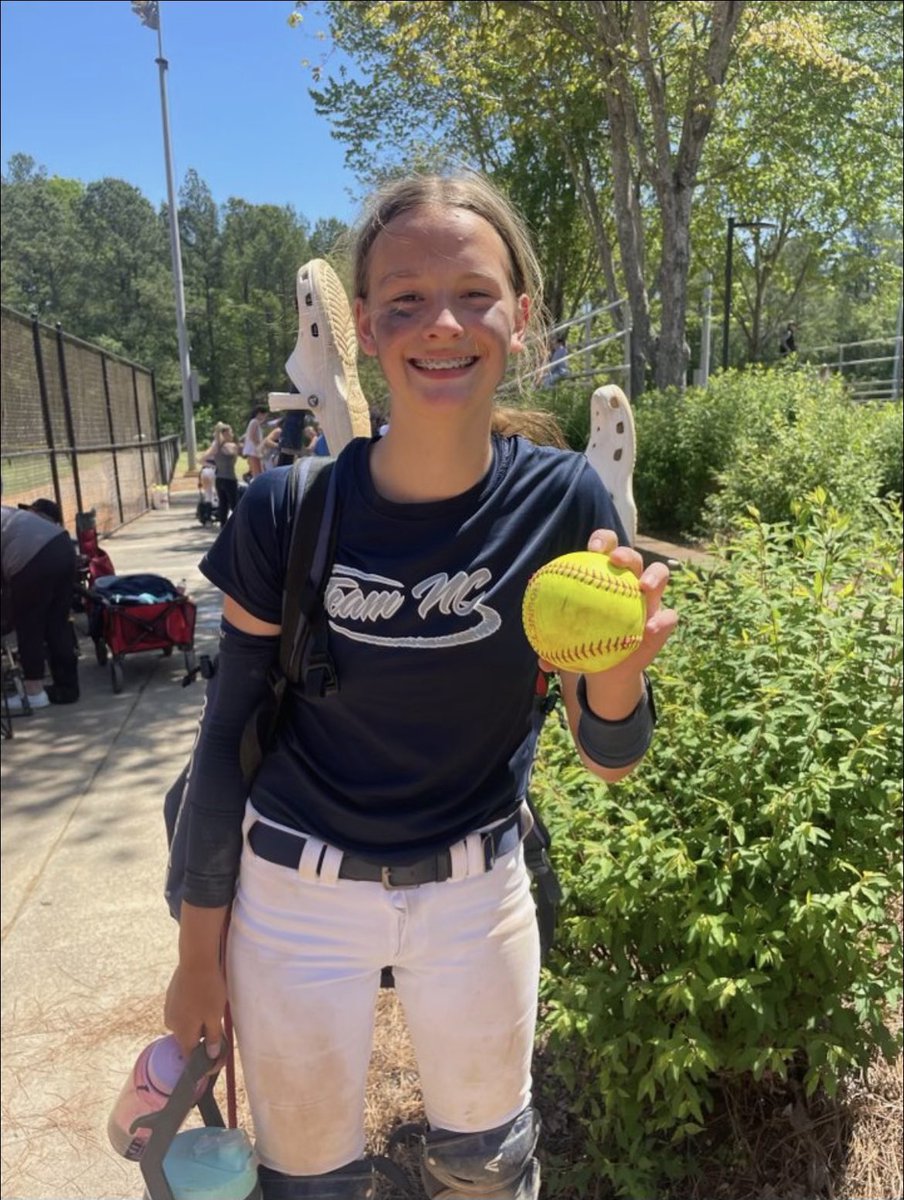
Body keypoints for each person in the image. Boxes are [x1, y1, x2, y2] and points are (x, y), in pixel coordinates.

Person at [165, 172, 677, 1199]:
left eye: (474, 294)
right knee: (306, 1182)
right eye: (403, 299)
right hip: (293, 899)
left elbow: (607, 758)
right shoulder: (288, 508)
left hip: (474, 895)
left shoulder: (565, 501)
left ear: (520, 318)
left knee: (487, 1173)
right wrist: (196, 955)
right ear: (363, 324)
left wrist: (617, 685)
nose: (441, 323)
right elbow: (225, 740)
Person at [1, 503, 80, 710]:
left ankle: (34, 691)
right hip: (62, 546)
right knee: (57, 622)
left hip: (32, 558)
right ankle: (67, 688)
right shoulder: (7, 513)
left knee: (29, 626)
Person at [205, 423, 239, 524]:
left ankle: (223, 527)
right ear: (225, 433)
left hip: (219, 478)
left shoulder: (216, 448)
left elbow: (202, 459)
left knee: (223, 505)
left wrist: (215, 466)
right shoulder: (232, 446)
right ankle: (237, 525)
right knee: (234, 504)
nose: (232, 435)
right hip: (230, 478)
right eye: (230, 432)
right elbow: (234, 459)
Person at [241, 404, 269, 477]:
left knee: (259, 470)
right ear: (259, 413)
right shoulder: (254, 422)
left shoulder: (255, 422)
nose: (264, 418)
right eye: (264, 415)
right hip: (253, 450)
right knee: (257, 472)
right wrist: (259, 447)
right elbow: (252, 436)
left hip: (254, 450)